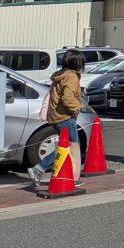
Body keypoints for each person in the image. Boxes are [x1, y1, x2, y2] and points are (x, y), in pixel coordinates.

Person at [32, 49, 85, 186]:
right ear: (78, 63)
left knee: (64, 147)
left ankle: (39, 169)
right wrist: (77, 108)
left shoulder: (60, 75)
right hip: (65, 117)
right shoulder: (71, 77)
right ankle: (72, 178)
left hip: (56, 116)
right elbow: (67, 98)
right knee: (72, 149)